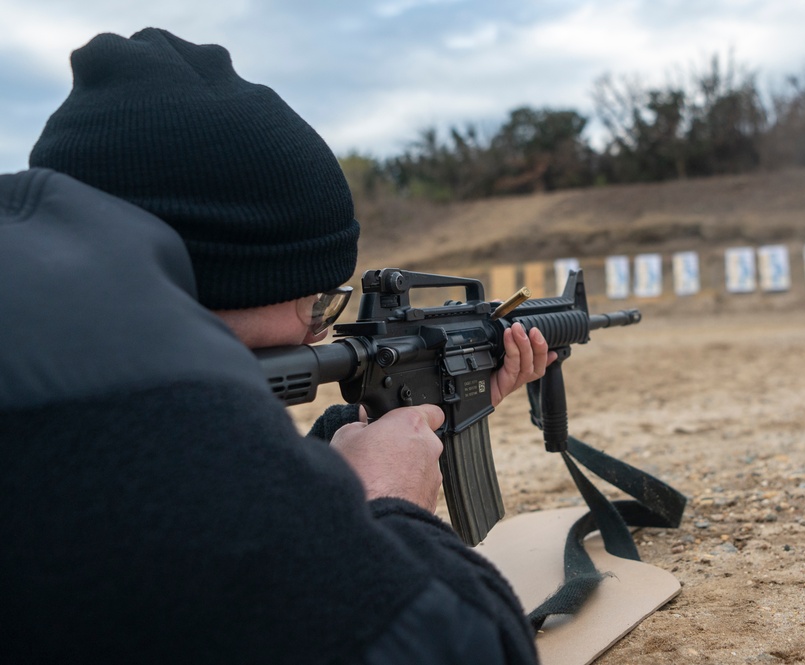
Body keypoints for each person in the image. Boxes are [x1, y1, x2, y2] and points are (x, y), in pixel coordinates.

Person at [1, 28, 545, 663]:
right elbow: (465, 643)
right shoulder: (138, 437)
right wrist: (388, 501)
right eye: (314, 303)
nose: (320, 330)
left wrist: (366, 431)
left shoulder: (60, 374)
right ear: (228, 278)